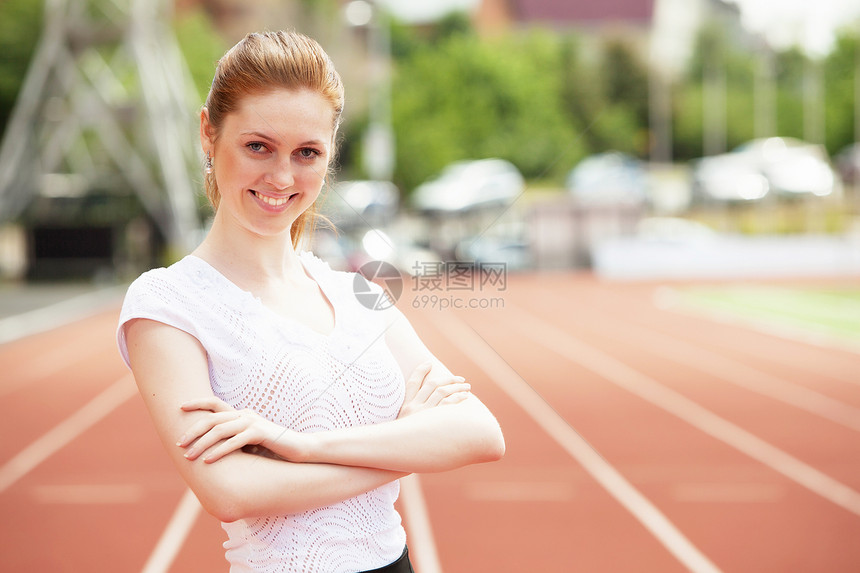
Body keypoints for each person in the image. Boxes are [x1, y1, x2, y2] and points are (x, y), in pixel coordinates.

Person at [116, 30, 505, 573]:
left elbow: (480, 433)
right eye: (258, 146)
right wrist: (406, 447)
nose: (281, 177)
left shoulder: (355, 292)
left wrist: (298, 447)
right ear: (208, 132)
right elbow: (229, 490)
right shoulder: (167, 303)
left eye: (307, 153)